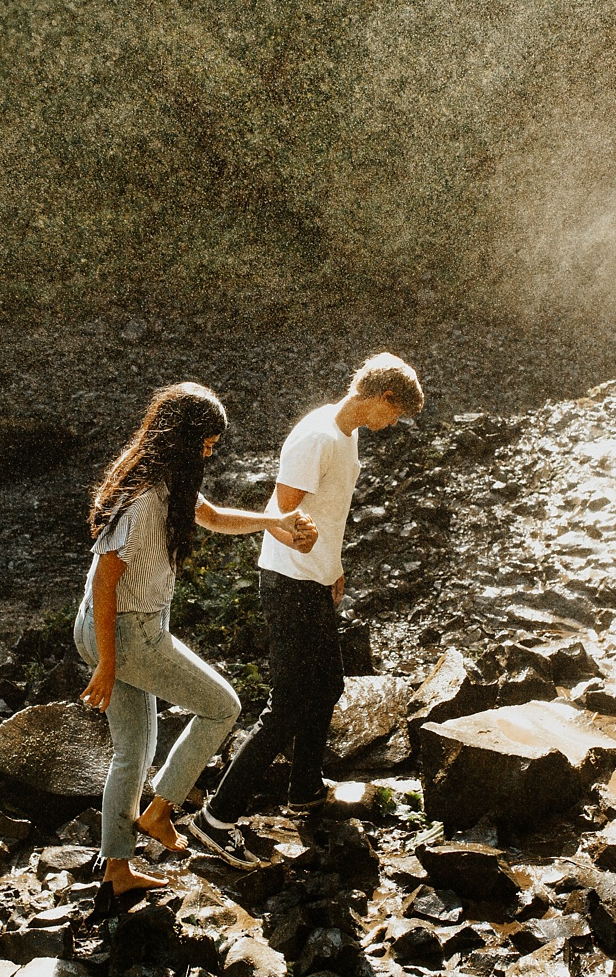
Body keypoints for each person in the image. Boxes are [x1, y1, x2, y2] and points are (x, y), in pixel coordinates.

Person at [74, 381, 317, 902]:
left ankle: (117, 869)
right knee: (221, 706)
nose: (211, 451)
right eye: (207, 442)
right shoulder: (145, 499)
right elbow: (104, 580)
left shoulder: (165, 479)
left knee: (132, 748)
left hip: (117, 626)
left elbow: (210, 516)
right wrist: (108, 664)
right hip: (123, 631)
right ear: (184, 439)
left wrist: (274, 522)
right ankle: (160, 812)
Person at [190, 353, 424, 869]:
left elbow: (329, 510)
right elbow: (279, 513)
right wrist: (309, 559)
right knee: (289, 704)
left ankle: (305, 789)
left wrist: (333, 565)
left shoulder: (347, 432)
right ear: (383, 399)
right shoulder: (317, 436)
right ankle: (216, 818)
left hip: (314, 579)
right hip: (289, 582)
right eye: (397, 415)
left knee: (329, 685)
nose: (393, 426)